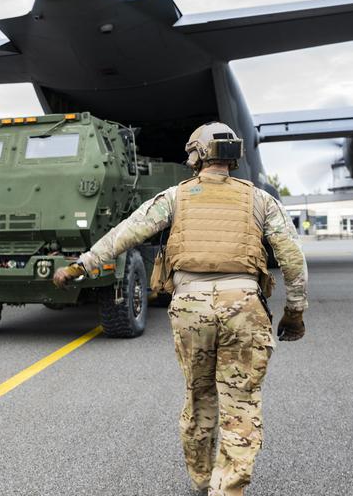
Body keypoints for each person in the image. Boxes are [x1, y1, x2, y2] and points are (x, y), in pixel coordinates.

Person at [54, 123, 308, 496]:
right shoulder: (261, 200)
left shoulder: (177, 197)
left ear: (197, 154)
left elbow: (127, 232)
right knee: (241, 403)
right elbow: (292, 257)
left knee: (199, 395)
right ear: (232, 156)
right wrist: (295, 312)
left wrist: (83, 265)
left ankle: (201, 480)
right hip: (244, 306)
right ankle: (228, 489)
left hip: (191, 309)